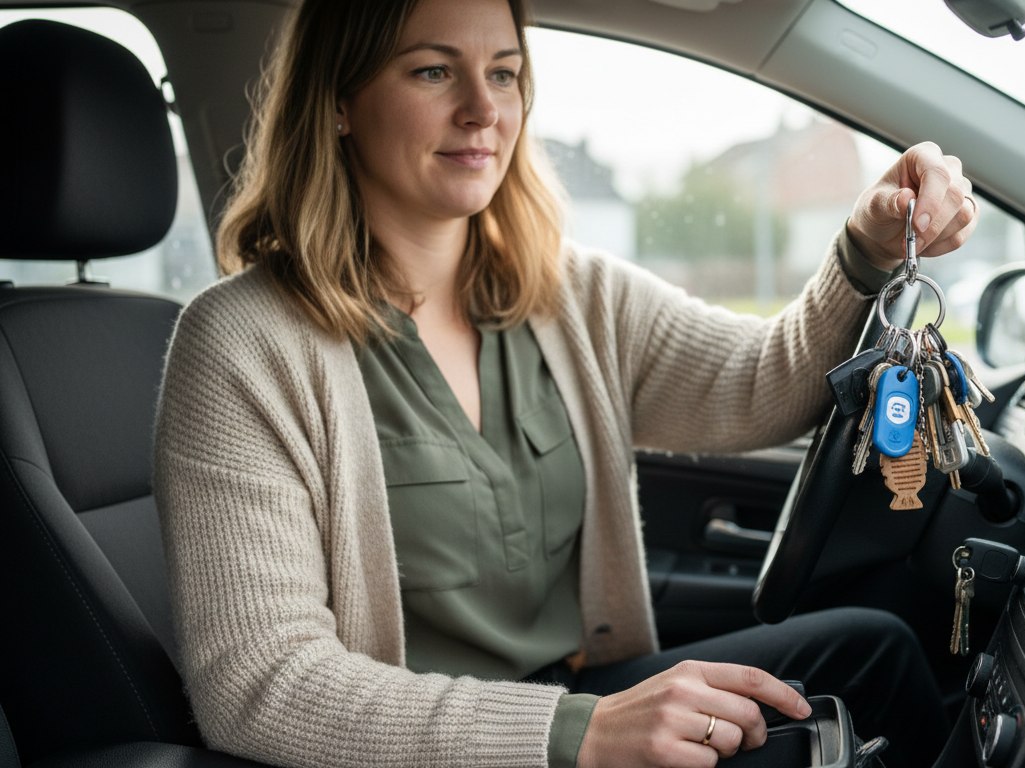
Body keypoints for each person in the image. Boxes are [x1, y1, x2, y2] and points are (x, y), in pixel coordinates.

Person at [152, 0, 978, 766]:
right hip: (429, 746)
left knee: (874, 652)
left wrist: (866, 248)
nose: (485, 108)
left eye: (505, 72)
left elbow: (757, 383)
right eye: (433, 70)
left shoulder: (571, 295)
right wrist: (576, 734)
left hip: (578, 698)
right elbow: (260, 682)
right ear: (338, 98)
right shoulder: (240, 345)